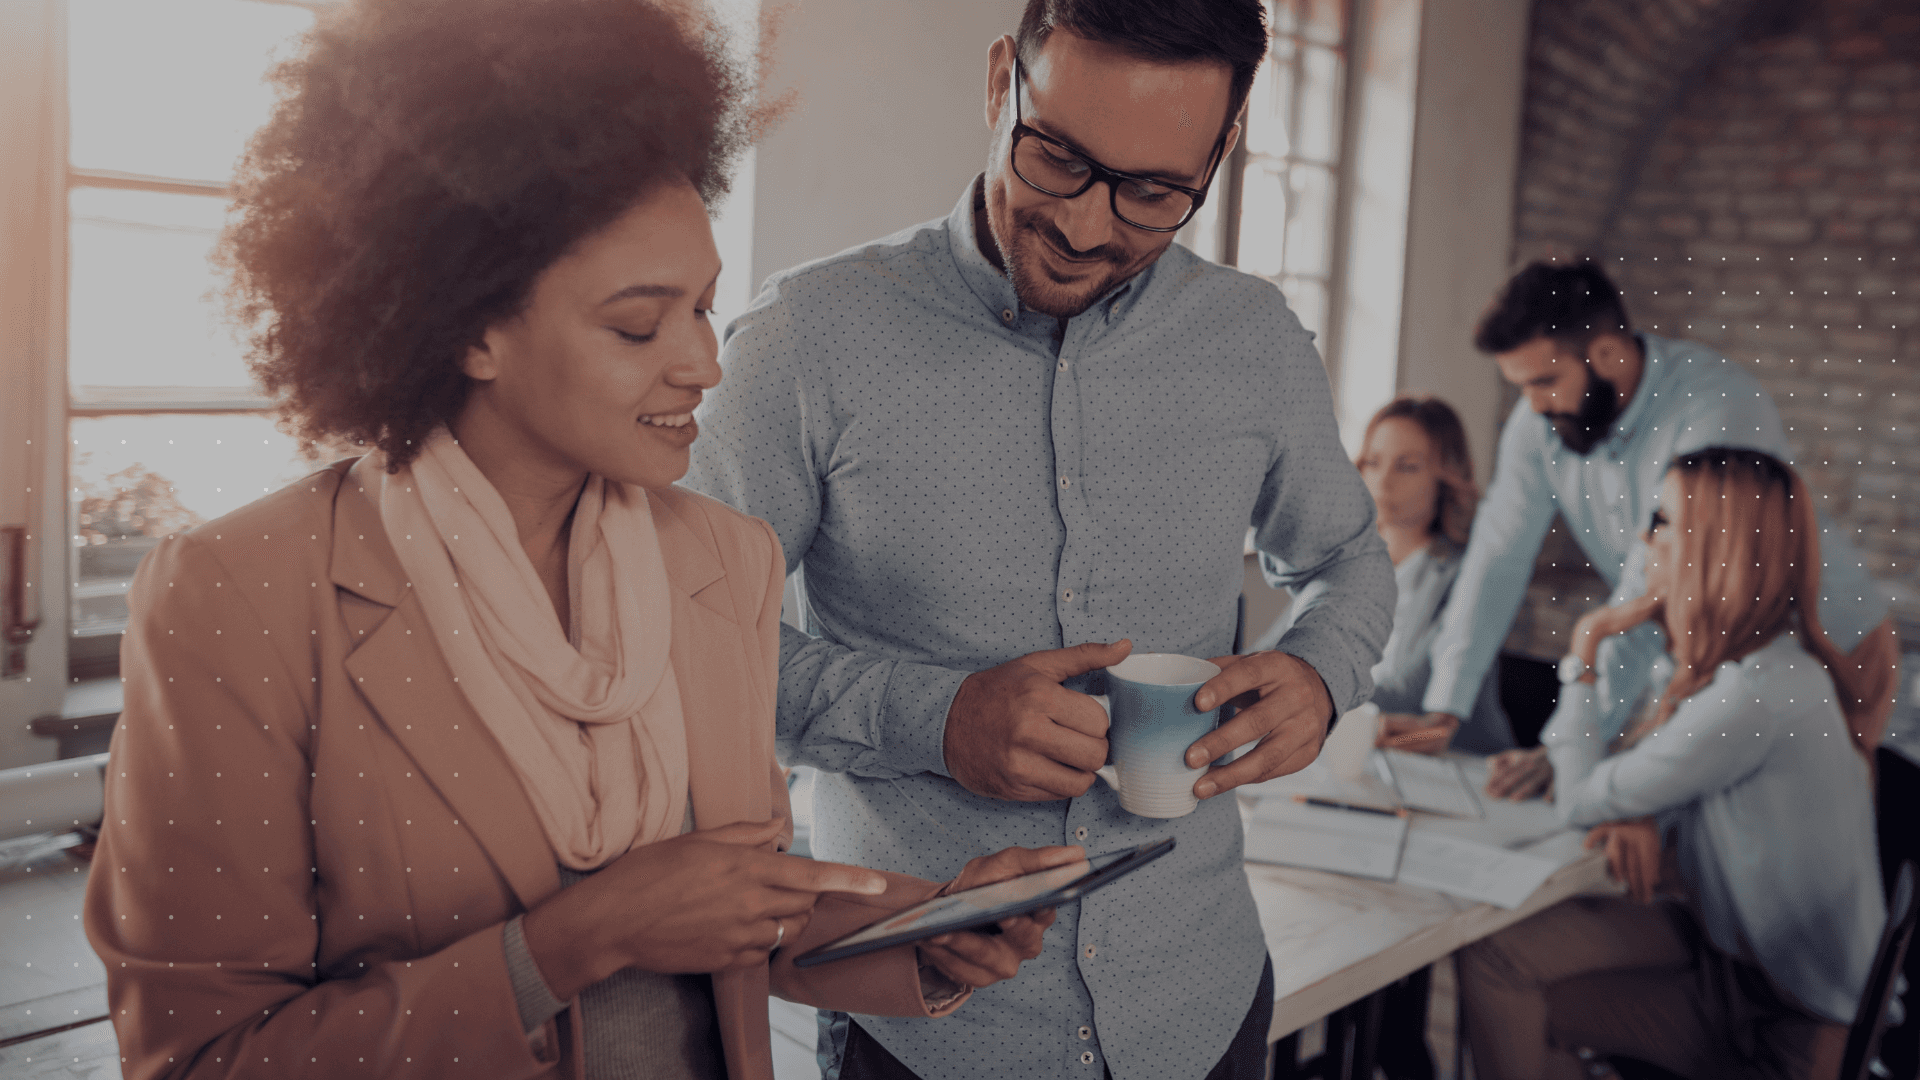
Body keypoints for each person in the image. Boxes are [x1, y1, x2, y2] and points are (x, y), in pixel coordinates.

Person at [82, 3, 1069, 1078]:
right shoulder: (240, 597)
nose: (703, 364)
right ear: (467, 326)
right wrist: (572, 944)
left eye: (704, 307)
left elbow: (733, 918)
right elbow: (201, 1059)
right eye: (638, 325)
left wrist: (926, 933)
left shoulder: (724, 564)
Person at [684, 1, 1397, 1076]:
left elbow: (1349, 562)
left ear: (1226, 145)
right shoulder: (801, 345)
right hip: (921, 1030)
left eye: (1154, 192)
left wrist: (1319, 674)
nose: (1086, 226)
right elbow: (686, 656)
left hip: (1201, 1009)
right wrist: (939, 719)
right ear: (999, 81)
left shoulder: (1256, 345)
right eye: (1056, 156)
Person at [1458, 447, 1885, 1080]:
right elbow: (1638, 779)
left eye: (1662, 519)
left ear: (1719, 546)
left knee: (1503, 973)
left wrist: (1586, 644)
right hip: (1738, 966)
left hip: (1781, 1023)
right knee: (1499, 953)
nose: (1642, 537)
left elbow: (1580, 800)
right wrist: (1640, 806)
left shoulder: (1755, 696)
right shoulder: (1770, 667)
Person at [1402, 260, 1899, 799]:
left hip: (1829, 646)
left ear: (1608, 354)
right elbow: (1495, 558)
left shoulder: (1715, 405)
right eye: (1521, 386)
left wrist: (1568, 746)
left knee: (1805, 835)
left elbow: (1652, 585)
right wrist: (1442, 711)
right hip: (1712, 652)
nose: (1535, 404)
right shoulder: (1541, 420)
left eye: (1545, 381)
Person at [1342, 395, 1515, 756]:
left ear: (1446, 477)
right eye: (1373, 462)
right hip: (1366, 750)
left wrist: (1297, 685)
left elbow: (1407, 694)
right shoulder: (1346, 562)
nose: (1383, 481)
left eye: (1406, 466)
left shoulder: (1467, 575)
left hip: (1464, 767)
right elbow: (1280, 648)